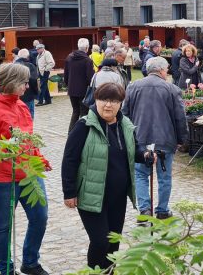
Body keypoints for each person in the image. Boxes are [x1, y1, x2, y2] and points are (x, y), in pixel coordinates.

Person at [62, 83, 152, 270]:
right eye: (103, 100)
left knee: (114, 241)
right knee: (100, 241)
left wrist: (145, 155)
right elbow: (69, 160)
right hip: (92, 195)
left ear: (121, 103)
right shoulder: (84, 126)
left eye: (113, 101)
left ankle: (109, 272)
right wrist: (69, 192)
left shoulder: (125, 124)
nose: (108, 105)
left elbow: (134, 149)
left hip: (117, 197)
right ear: (96, 100)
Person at [0, 63, 51, 275]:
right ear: (10, 83)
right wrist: (6, 150)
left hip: (29, 173)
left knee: (40, 217)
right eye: (23, 82)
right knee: (2, 226)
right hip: (1, 178)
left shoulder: (21, 105)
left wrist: (39, 158)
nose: (27, 86)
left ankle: (30, 262)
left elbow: (28, 139)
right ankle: (5, 269)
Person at [122, 57, 188, 219]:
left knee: (141, 175)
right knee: (164, 177)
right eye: (166, 70)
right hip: (164, 140)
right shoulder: (171, 89)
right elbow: (180, 117)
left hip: (140, 139)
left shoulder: (133, 87)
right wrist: (182, 139)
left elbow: (124, 114)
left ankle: (145, 209)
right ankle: (162, 210)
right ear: (161, 70)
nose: (167, 73)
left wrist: (128, 137)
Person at [65, 38, 95, 132]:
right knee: (83, 113)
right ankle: (82, 133)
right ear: (87, 48)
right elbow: (90, 78)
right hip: (84, 90)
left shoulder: (69, 58)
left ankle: (71, 132)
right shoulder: (87, 61)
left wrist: (68, 85)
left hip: (72, 89)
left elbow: (66, 75)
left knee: (75, 111)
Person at [14, 49, 40, 119]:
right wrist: (36, 93)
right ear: (28, 56)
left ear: (18, 56)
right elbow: (34, 80)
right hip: (28, 95)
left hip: (15, 96)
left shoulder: (12, 66)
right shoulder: (31, 66)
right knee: (29, 116)